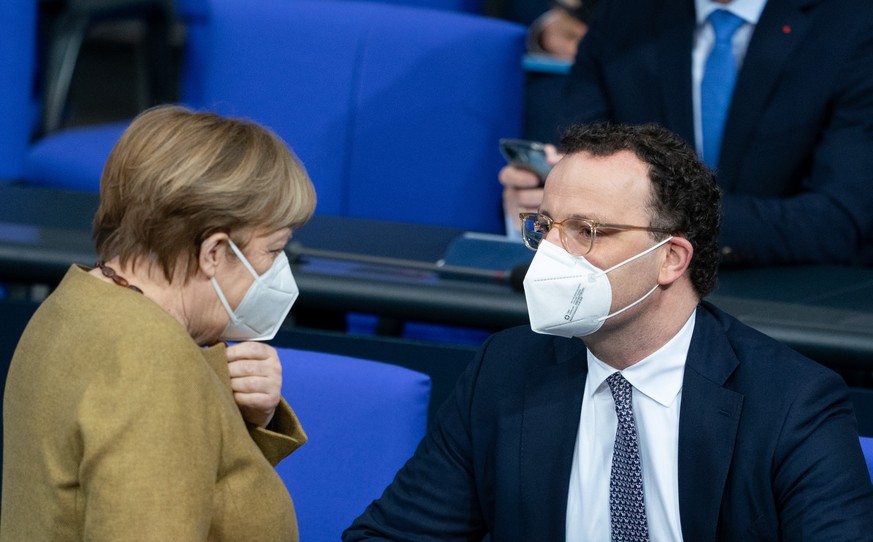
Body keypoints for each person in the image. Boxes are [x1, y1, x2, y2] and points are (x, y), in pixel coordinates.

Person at [344, 123, 873, 540]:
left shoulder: (791, 402)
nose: (552, 253)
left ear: (670, 258)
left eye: (587, 231)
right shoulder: (504, 371)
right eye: (543, 227)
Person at [1, 105, 316, 540]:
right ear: (214, 252)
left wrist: (240, 415)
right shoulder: (152, 362)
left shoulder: (74, 302)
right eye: (274, 249)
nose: (278, 269)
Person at [500, 0, 873, 267]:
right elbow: (586, 154)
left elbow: (842, 220)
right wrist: (554, 196)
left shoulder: (853, 23)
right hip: (634, 290)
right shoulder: (622, 15)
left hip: (793, 295)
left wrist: (645, 219)